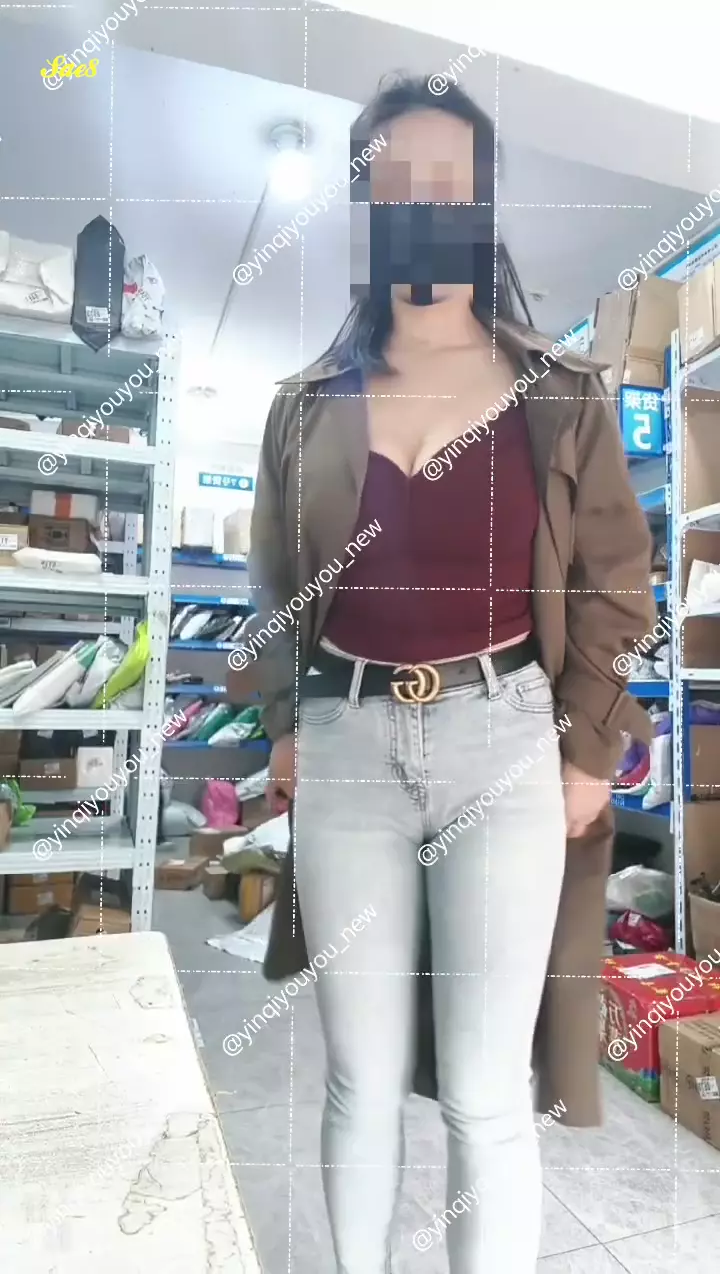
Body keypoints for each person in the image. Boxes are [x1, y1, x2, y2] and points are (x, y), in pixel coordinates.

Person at [238, 75, 654, 1274]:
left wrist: (590, 748)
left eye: (448, 182)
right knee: (359, 1077)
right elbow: (275, 583)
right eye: (395, 182)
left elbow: (617, 582)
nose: (423, 202)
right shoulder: (304, 407)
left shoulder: (560, 394)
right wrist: (284, 718)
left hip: (506, 739)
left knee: (484, 1087)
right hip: (348, 745)